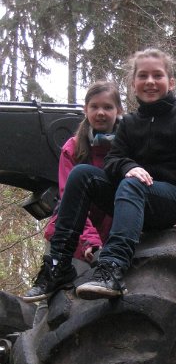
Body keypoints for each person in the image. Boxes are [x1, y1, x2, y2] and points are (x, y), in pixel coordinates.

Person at [22, 48, 176, 302]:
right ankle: (58, 265)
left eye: (158, 75)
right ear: (133, 83)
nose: (150, 82)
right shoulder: (130, 123)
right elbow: (113, 159)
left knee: (131, 184)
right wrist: (127, 166)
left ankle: (113, 266)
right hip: (136, 197)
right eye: (143, 76)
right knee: (82, 174)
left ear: (171, 82)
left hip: (172, 199)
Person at [44, 81, 122, 268]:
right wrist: (90, 240)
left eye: (107, 107)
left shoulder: (128, 146)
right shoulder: (72, 148)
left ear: (118, 110)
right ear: (85, 109)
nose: (100, 112)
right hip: (73, 233)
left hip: (109, 233)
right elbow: (69, 200)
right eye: (94, 106)